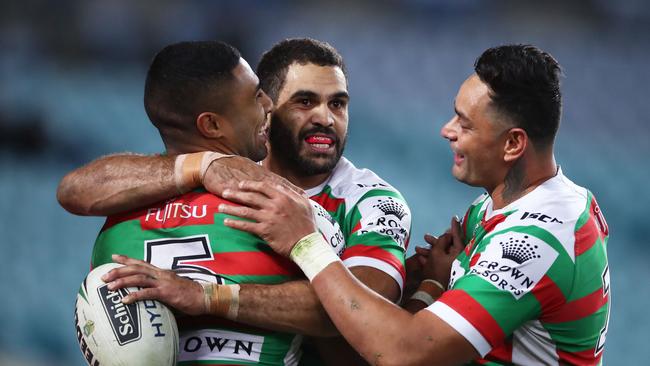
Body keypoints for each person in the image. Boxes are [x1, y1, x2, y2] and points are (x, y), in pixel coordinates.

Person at [210, 44, 611, 365]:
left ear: (513, 144)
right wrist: (434, 285)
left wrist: (306, 244)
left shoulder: (539, 235)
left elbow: (406, 353)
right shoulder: (492, 208)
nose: (447, 131)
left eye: (464, 123)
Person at [59, 38, 411, 365]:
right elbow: (343, 312)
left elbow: (365, 309)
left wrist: (206, 296)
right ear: (212, 124)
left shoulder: (369, 200)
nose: (325, 117)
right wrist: (204, 164)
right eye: (304, 101)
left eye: (338, 103)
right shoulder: (298, 215)